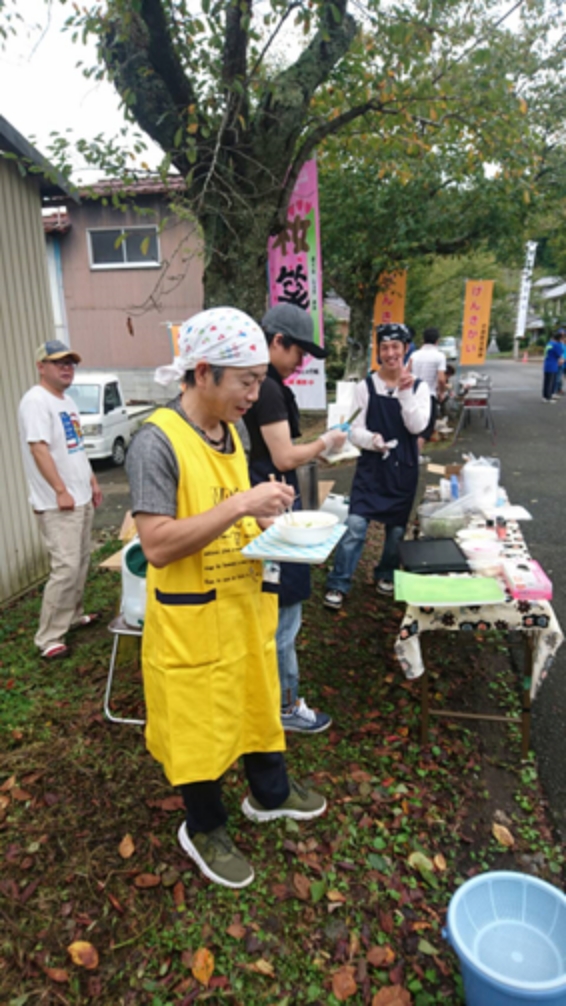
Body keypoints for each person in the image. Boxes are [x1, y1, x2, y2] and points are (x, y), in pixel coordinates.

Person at [125, 307, 327, 890]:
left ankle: (270, 793)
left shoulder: (232, 431)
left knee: (255, 699)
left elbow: (232, 502)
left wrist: (265, 508)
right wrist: (241, 505)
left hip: (241, 602)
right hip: (191, 617)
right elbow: (159, 546)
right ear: (205, 372)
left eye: (260, 379)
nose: (255, 394)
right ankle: (204, 825)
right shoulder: (154, 443)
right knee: (198, 725)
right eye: (246, 381)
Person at [244, 304, 346, 734]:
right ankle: (284, 705)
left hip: (269, 499)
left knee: (279, 606)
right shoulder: (265, 386)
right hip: (269, 506)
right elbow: (283, 455)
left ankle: (273, 697)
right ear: (276, 341)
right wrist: (326, 441)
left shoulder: (262, 384)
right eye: (298, 351)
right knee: (283, 609)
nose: (302, 362)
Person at [323, 323, 431, 611]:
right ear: (378, 351)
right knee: (355, 525)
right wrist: (371, 439)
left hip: (403, 468)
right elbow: (353, 429)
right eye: (385, 347)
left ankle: (385, 573)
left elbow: (418, 426)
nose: (391, 353)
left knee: (396, 530)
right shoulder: (365, 386)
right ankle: (339, 582)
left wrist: (405, 394)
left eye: (396, 346)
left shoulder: (420, 388)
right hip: (372, 466)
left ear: (406, 348)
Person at [18, 340, 103, 660]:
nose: (67, 368)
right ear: (41, 367)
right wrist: (59, 490)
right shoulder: (36, 401)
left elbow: (76, 447)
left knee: (80, 561)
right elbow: (38, 448)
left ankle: (72, 615)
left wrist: (92, 480)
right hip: (58, 502)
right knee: (65, 567)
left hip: (79, 496)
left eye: (70, 363)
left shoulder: (66, 401)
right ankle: (49, 637)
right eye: (59, 363)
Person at [408, 326, 447, 455]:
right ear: (437, 341)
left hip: (411, 393)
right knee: (425, 428)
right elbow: (441, 379)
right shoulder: (439, 356)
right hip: (428, 395)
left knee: (412, 425)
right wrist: (441, 392)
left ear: (423, 340)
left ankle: (410, 455)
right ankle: (415, 456)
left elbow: (405, 372)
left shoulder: (414, 355)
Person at [542, 329, 564, 402]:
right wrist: (561, 344)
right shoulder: (556, 345)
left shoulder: (549, 343)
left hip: (547, 365)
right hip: (553, 365)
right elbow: (560, 354)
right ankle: (549, 397)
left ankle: (544, 397)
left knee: (546, 382)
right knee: (551, 382)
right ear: (559, 339)